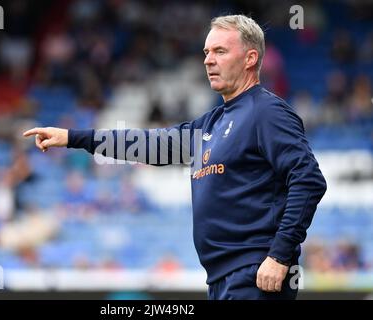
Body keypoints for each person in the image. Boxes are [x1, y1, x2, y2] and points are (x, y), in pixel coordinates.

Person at [23, 15, 327, 300]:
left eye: (220, 51)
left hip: (255, 273)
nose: (208, 60)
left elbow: (308, 180)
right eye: (207, 52)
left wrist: (279, 255)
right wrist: (74, 138)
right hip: (224, 277)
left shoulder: (266, 112)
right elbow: (147, 144)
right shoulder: (211, 124)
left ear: (251, 58)